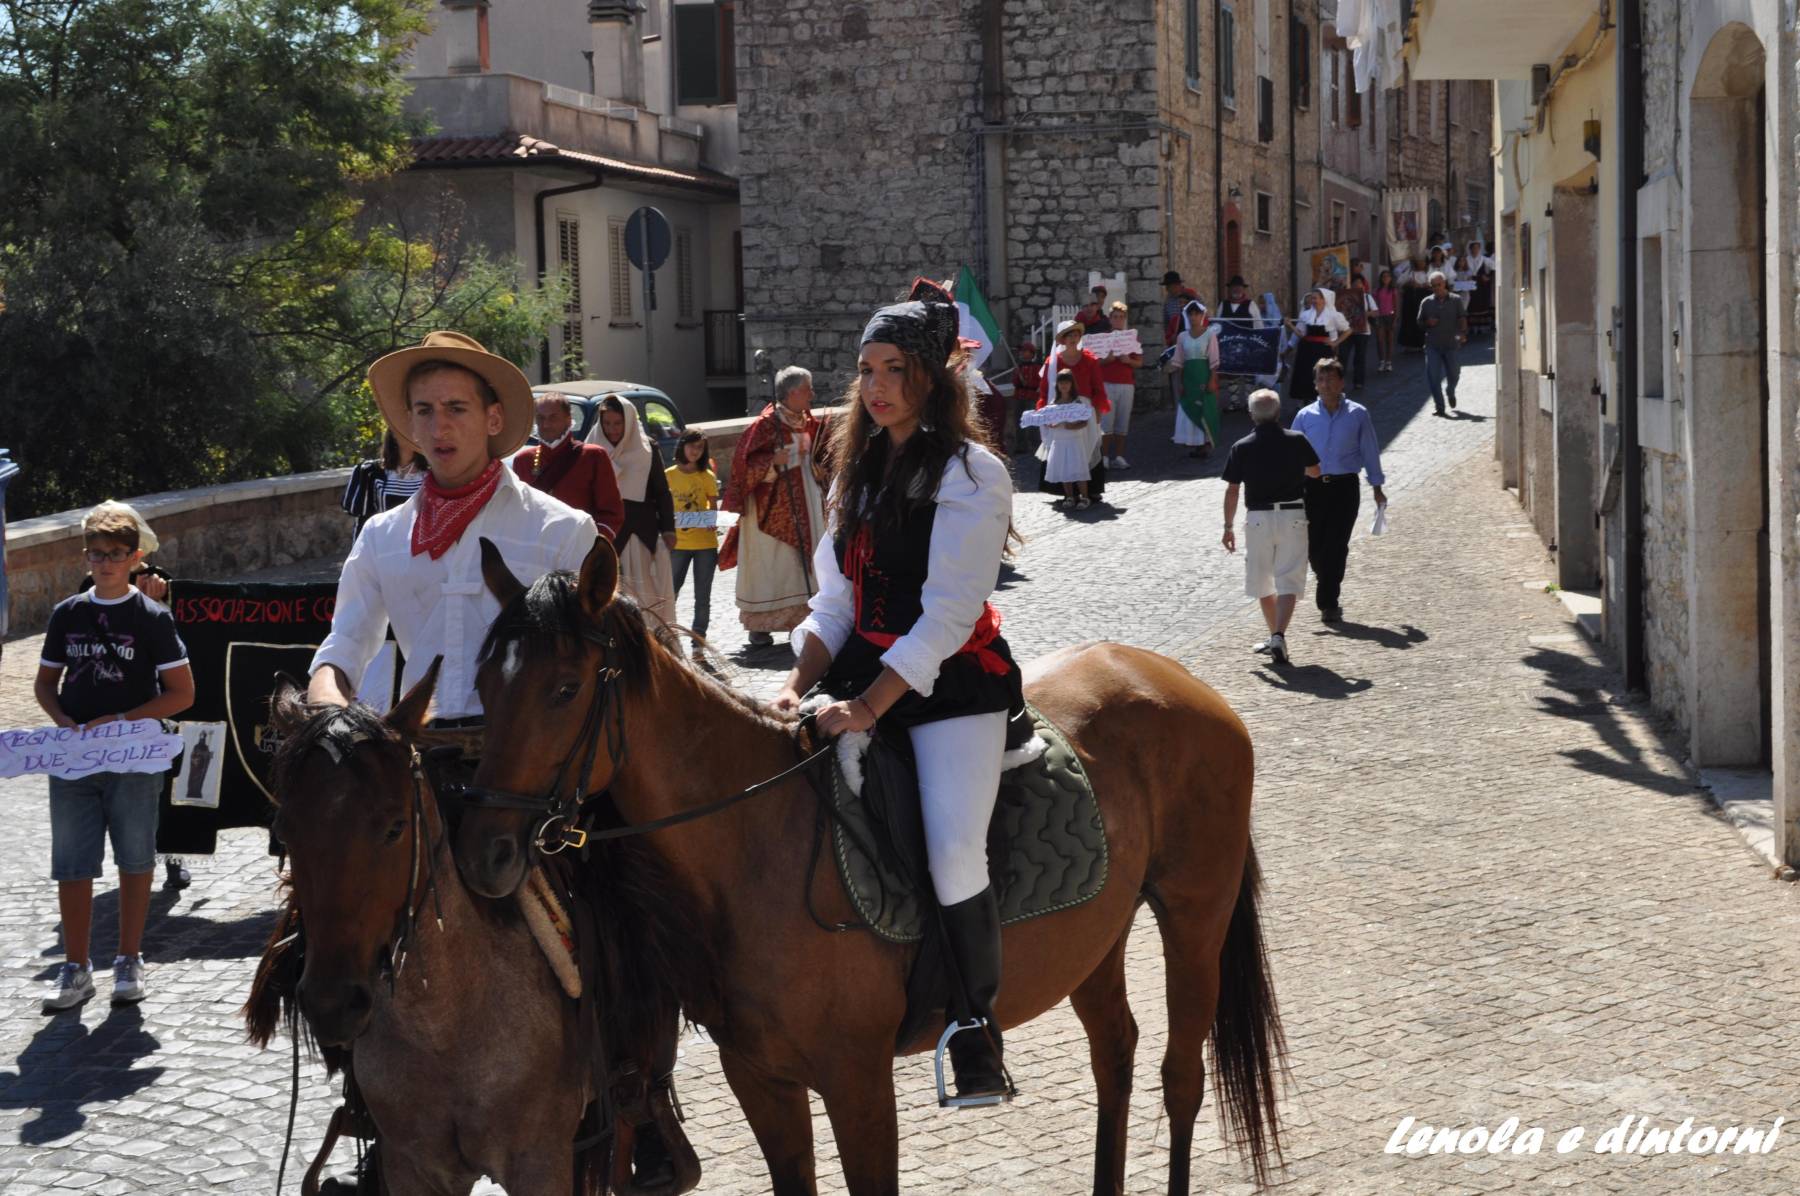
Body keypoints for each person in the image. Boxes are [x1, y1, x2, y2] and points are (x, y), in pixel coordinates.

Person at [775, 278, 1026, 1105]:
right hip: (863, 670)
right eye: (865, 370)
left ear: (932, 377)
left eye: (893, 369)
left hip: (950, 684)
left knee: (954, 845)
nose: (875, 386)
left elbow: (950, 615)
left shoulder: (971, 472)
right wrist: (796, 681)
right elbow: (837, 602)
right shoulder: (853, 467)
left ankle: (972, 1029)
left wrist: (867, 707)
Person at [35, 503, 195, 1010]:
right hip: (74, 759)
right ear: (86, 558)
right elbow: (45, 684)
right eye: (96, 554)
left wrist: (125, 721)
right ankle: (76, 968)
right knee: (73, 864)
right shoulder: (68, 614)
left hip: (133, 756)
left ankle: (129, 959)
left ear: (135, 557)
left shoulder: (151, 617)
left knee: (135, 859)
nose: (104, 563)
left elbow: (182, 692)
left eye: (115, 555)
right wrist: (65, 724)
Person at [720, 366, 828, 646]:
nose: (812, 395)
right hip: (769, 509)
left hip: (805, 498)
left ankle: (803, 619)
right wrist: (771, 463)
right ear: (793, 393)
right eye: (808, 390)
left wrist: (819, 466)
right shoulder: (766, 424)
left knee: (805, 563)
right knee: (773, 563)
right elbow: (743, 466)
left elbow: (820, 454)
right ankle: (761, 625)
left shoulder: (808, 422)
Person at [1221, 389, 1322, 666]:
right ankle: (1278, 635)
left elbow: (1232, 490)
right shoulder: (1296, 440)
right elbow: (1315, 471)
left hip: (1258, 518)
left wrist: (1228, 526)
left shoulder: (1242, 446)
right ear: (1278, 413)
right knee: (1289, 578)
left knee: (1262, 579)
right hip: (1292, 515)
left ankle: (1274, 635)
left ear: (1252, 414)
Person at [1291, 358, 1386, 624]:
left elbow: (1369, 450)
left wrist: (1377, 487)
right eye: (1321, 379)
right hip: (1312, 489)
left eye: (1331, 378)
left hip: (1345, 487)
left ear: (1341, 382)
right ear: (1315, 384)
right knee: (1313, 545)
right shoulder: (1304, 416)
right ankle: (1326, 577)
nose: (1326, 384)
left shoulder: (1358, 414)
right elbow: (1292, 453)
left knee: (1336, 544)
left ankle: (1328, 601)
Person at [589, 394, 678, 635]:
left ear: (627, 422)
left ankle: (651, 643)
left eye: (618, 423)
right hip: (606, 535)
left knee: (645, 595)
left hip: (641, 533)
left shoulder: (647, 448)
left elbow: (661, 491)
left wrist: (668, 528)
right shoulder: (592, 450)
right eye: (607, 423)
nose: (612, 430)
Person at [511, 392, 625, 540]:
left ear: (568, 419)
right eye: (541, 418)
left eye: (553, 417)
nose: (546, 424)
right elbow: (518, 513)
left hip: (580, 548)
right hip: (536, 551)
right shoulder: (522, 461)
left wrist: (594, 546)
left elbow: (611, 513)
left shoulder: (593, 456)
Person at [666, 431, 719, 657]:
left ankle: (698, 641)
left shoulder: (706, 475)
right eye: (692, 446)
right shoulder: (668, 475)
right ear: (683, 446)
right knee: (670, 592)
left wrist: (711, 520)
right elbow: (663, 506)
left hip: (705, 544)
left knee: (703, 595)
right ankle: (667, 636)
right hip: (678, 543)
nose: (695, 451)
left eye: (700, 447)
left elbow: (713, 505)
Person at [342, 430, 428, 539]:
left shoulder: (430, 475)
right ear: (394, 434)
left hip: (415, 546)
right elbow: (363, 522)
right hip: (381, 545)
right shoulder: (371, 472)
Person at [1167, 300, 1221, 457]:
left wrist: (1212, 380)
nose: (1193, 317)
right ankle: (1195, 443)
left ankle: (1205, 443)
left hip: (1204, 375)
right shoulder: (1182, 336)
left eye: (1196, 314)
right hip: (1189, 377)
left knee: (1205, 407)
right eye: (1190, 314)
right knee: (1189, 406)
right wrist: (1180, 382)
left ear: (1201, 315)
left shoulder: (1209, 335)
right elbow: (1180, 361)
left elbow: (1213, 360)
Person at [1096, 301, 1142, 470]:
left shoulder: (1130, 338)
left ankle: (1120, 457)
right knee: (1106, 423)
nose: (1118, 320)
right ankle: (1105, 457)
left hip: (1126, 384)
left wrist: (1128, 360)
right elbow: (1094, 362)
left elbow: (1139, 362)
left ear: (1124, 319)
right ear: (1110, 319)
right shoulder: (1102, 339)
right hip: (1107, 383)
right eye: (1115, 317)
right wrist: (1106, 360)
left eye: (1121, 317)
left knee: (1123, 422)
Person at [1284, 290, 1350, 410]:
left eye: (1315, 298)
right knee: (1305, 375)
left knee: (1322, 375)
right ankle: (1306, 401)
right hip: (1306, 349)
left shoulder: (1333, 315)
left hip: (1323, 350)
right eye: (1312, 298)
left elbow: (1347, 330)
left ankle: (1323, 400)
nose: (1313, 301)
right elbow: (1301, 334)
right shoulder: (1306, 314)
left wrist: (1335, 342)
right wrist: (1290, 326)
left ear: (1323, 299)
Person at [1418, 270, 1469, 416]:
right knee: (1433, 377)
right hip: (1432, 345)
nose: (1436, 288)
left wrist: (1463, 333)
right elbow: (1419, 322)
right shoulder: (1426, 302)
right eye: (1433, 286)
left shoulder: (1456, 300)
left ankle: (1450, 390)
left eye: (1439, 285)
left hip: (1451, 344)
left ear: (1444, 283)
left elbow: (1462, 318)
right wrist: (1427, 322)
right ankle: (1439, 407)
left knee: (1454, 373)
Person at [1041, 369, 1094, 510]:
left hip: (1074, 440)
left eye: (1066, 383)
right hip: (1059, 440)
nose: (1064, 386)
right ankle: (1069, 496)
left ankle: (1085, 497)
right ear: (1057, 385)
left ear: (1072, 384)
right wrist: (1051, 424)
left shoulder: (1077, 401)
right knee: (1064, 469)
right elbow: (1048, 421)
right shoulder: (1054, 402)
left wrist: (1072, 426)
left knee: (1078, 468)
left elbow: (1085, 421)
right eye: (1061, 383)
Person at [1339, 274, 1378, 391]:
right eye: (1354, 283)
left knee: (1359, 357)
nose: (1357, 285)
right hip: (1347, 331)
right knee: (1343, 357)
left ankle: (1359, 382)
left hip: (1362, 332)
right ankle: (1340, 382)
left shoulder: (1367, 297)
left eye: (1359, 283)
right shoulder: (1345, 296)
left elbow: (1376, 312)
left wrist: (1365, 314)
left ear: (1363, 285)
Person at [1160, 270, 1202, 342]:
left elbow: (1202, 315)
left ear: (1176, 285)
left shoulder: (1192, 295)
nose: (1166, 289)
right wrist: (1169, 338)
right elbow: (1166, 322)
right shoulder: (1168, 301)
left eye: (1168, 286)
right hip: (1176, 339)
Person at [1371, 268, 1399, 373]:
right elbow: (1373, 304)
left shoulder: (1393, 290)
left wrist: (1395, 318)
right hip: (1380, 317)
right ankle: (1381, 361)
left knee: (1390, 340)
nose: (1386, 278)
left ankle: (1389, 362)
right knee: (1380, 340)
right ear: (1381, 278)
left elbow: (1396, 305)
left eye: (1388, 276)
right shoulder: (1376, 290)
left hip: (1390, 316)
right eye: (1384, 277)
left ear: (1391, 278)